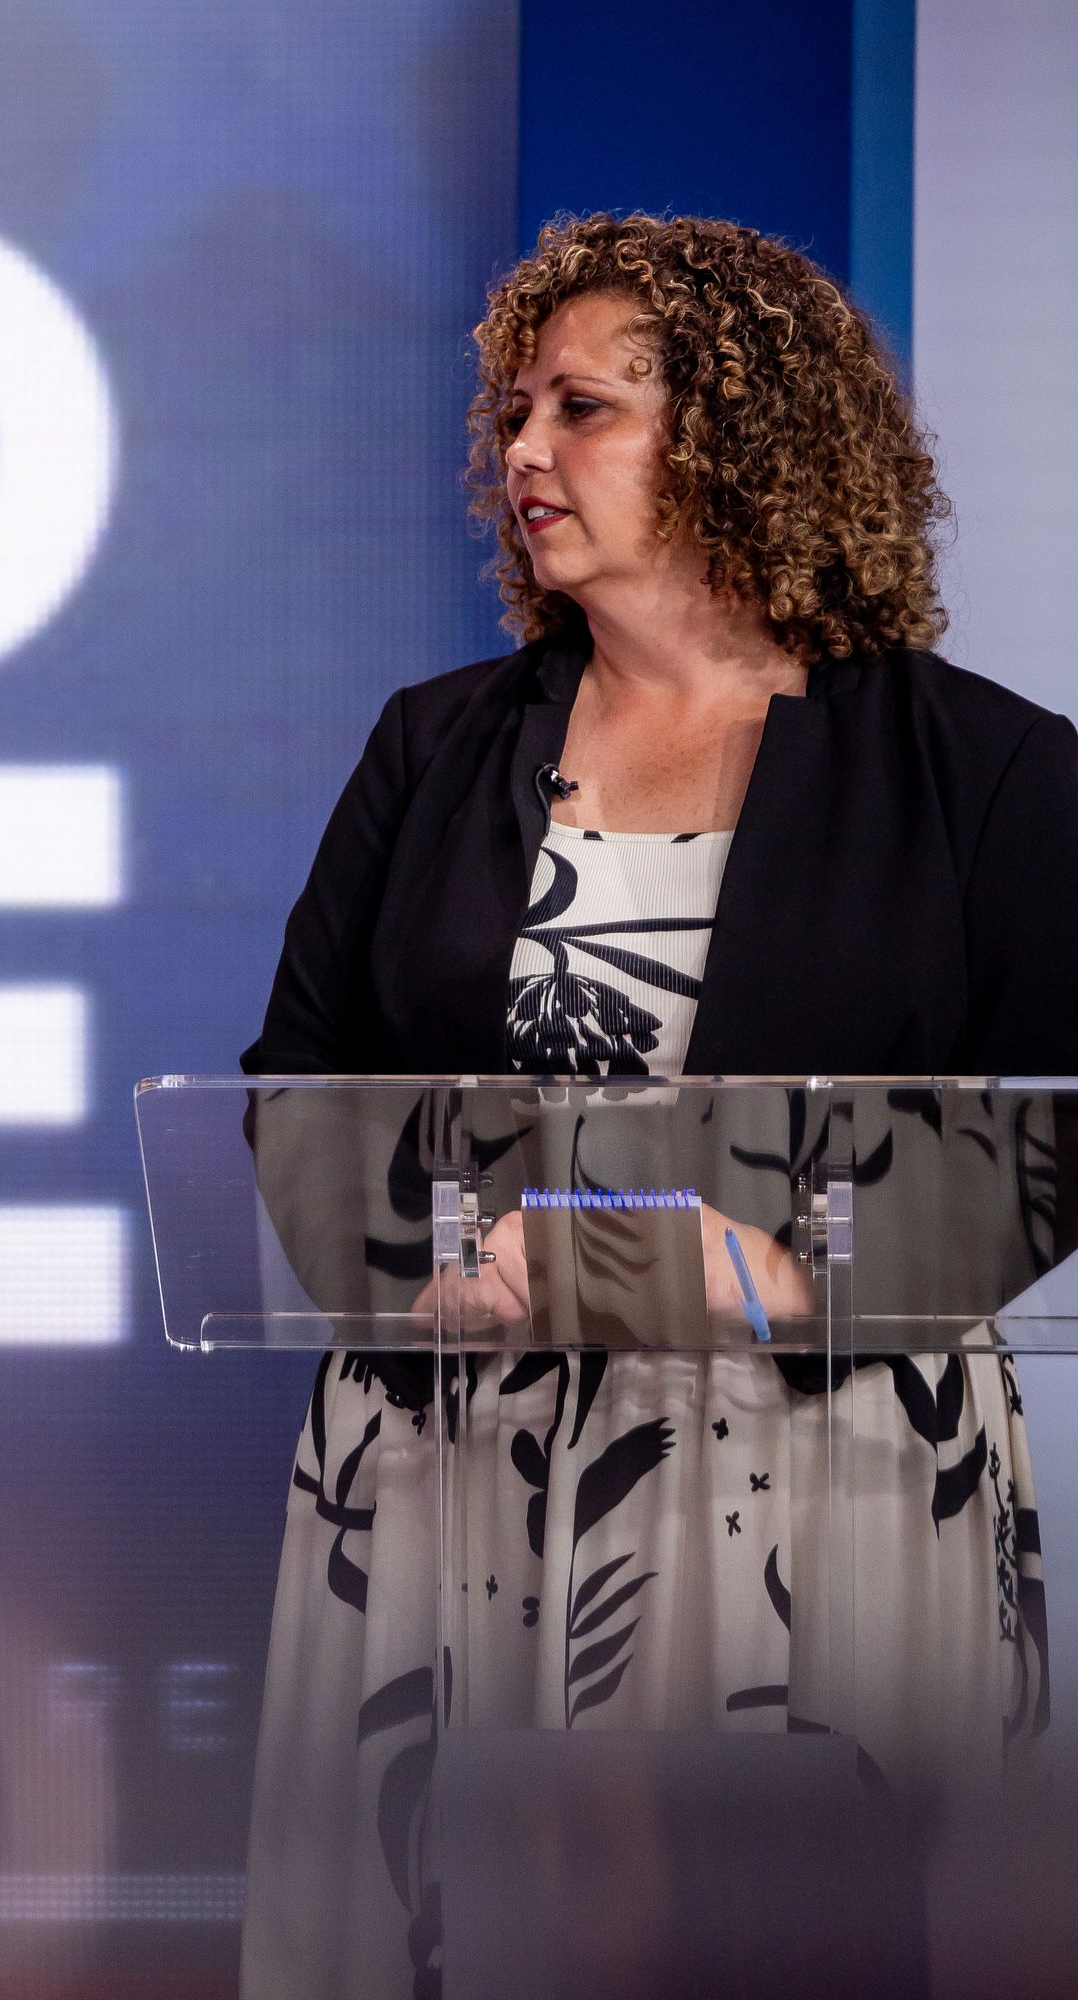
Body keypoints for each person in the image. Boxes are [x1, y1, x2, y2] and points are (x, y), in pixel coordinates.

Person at [238, 214, 1072, 1997]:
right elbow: (295, 1085)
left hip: (817, 1471)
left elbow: (1070, 1121)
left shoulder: (986, 768)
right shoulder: (432, 743)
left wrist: (782, 1275)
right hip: (462, 1460)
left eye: (585, 409)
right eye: (514, 413)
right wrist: (424, 1270)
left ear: (745, 437)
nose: (525, 453)